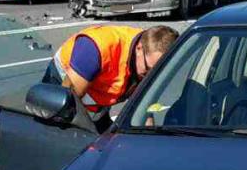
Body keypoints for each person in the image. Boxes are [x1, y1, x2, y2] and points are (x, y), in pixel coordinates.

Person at [43, 24, 179, 132]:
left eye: (157, 72)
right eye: (149, 69)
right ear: (139, 49)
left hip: (99, 103)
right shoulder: (96, 48)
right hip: (63, 89)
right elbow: (69, 102)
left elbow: (144, 111)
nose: (151, 76)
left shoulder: (148, 61)